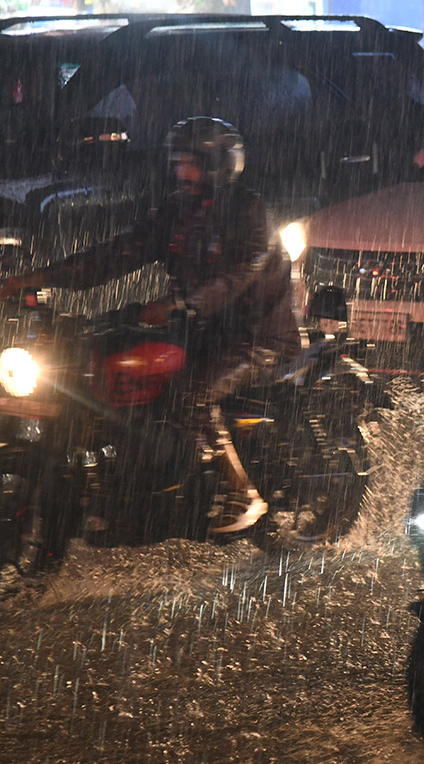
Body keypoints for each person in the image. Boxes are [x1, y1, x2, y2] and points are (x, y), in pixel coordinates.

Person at [0, 116, 301, 533]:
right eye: (177, 162)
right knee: (111, 359)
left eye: (190, 163)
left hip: (255, 335)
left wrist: (180, 302)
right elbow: (118, 253)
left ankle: (242, 494)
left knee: (191, 394)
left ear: (217, 164)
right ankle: (128, 485)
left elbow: (235, 277)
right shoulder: (178, 209)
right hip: (197, 327)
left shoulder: (251, 213)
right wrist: (35, 279)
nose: (181, 172)